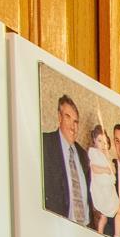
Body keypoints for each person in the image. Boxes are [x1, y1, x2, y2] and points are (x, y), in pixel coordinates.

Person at [41, 94, 95, 226]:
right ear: (59, 117)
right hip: (58, 228)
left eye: (76, 122)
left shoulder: (83, 155)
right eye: (68, 117)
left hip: (86, 230)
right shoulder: (45, 144)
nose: (73, 126)